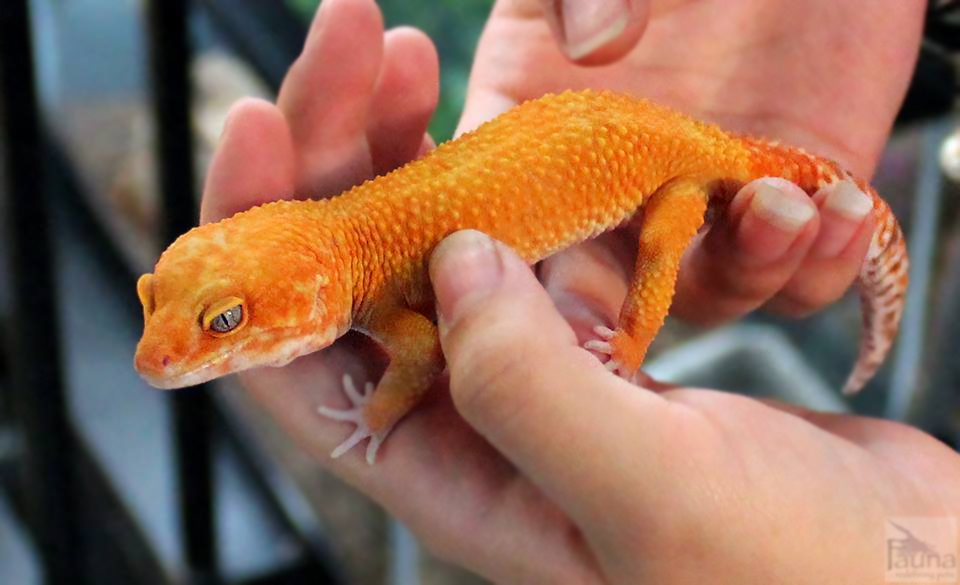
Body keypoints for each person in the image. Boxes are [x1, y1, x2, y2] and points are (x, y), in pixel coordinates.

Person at [200, 0, 959, 581]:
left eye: (225, 321)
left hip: (669, 158)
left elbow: (422, 349)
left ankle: (633, 337)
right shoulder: (348, 239)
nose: (169, 353)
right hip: (614, 123)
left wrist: (378, 412)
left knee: (663, 242)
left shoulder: (372, 290)